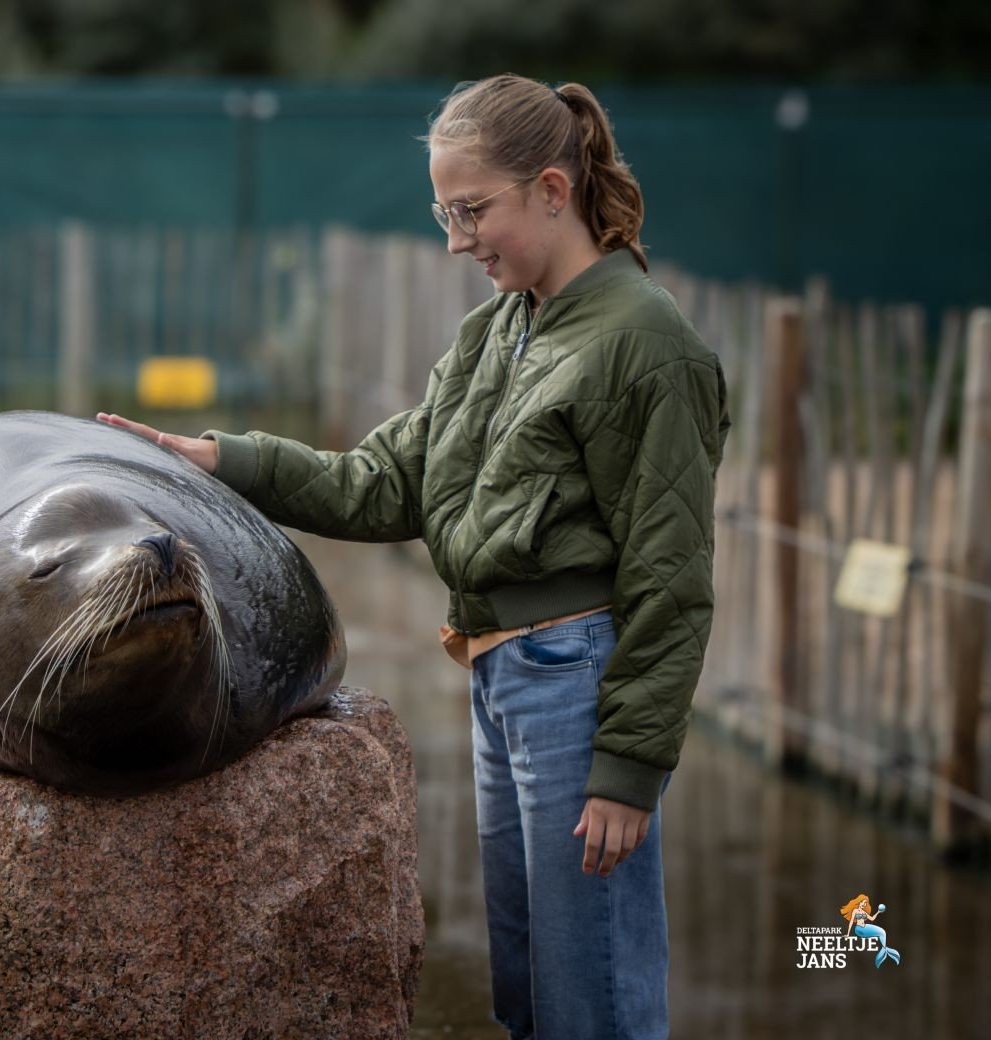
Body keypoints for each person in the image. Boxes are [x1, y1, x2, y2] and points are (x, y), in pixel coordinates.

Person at [99, 72, 729, 1039]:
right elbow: (385, 482)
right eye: (445, 212)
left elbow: (670, 576)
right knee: (525, 988)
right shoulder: (499, 330)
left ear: (553, 191)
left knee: (591, 995)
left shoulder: (648, 344)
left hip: (576, 685)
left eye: (473, 211)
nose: (455, 241)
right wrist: (218, 461)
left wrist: (629, 768)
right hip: (497, 679)